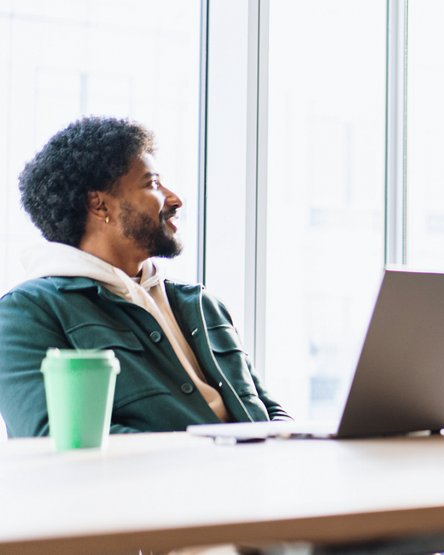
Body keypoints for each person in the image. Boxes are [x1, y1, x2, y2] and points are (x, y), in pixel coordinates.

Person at [0, 116, 288, 437]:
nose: (175, 199)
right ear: (99, 205)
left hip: (252, 467)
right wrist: (217, 453)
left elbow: (267, 409)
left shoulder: (201, 304)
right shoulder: (26, 313)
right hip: (187, 471)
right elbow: (51, 437)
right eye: (152, 184)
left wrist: (293, 443)